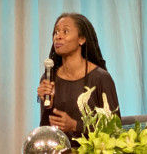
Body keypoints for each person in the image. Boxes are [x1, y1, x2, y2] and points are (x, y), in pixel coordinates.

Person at [37, 14, 119, 146]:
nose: (58, 36)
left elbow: (114, 131)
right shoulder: (49, 78)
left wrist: (75, 126)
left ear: (81, 39)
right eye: (56, 32)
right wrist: (48, 106)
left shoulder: (101, 78)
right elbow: (46, 133)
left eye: (66, 31)